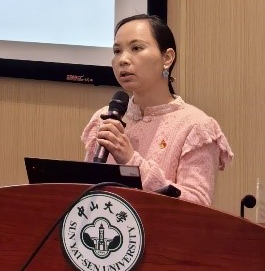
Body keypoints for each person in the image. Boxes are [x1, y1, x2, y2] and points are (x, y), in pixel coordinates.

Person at [82, 14, 232, 206]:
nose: (122, 59)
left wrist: (130, 160)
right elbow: (86, 192)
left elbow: (197, 206)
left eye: (136, 48)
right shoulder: (105, 118)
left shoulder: (196, 126)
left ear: (167, 58)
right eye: (117, 51)